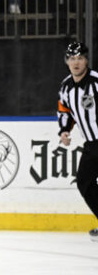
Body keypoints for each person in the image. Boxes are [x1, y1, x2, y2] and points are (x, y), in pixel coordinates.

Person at [57, 42, 98, 240]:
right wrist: (64, 130)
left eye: (80, 58)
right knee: (84, 183)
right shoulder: (66, 87)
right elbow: (64, 110)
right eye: (72, 58)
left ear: (86, 60)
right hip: (92, 145)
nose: (76, 62)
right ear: (67, 61)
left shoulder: (97, 82)